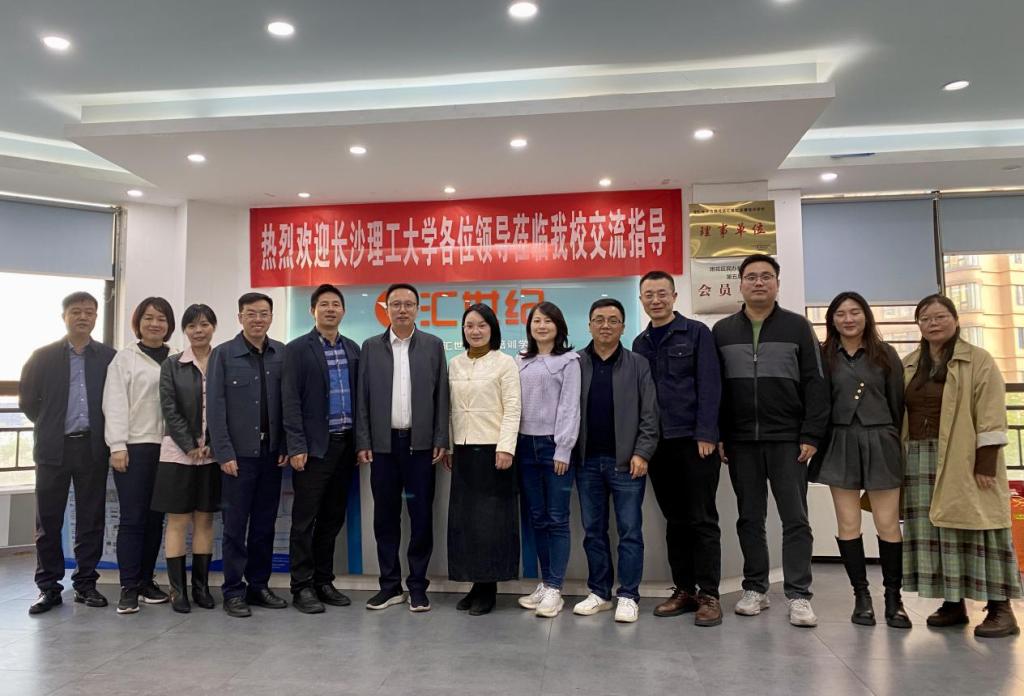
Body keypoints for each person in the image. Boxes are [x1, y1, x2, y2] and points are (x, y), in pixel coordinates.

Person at [713, 254, 828, 628]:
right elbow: (715, 390)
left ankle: (798, 594)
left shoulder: (797, 327)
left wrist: (811, 434)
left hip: (788, 440)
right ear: (740, 284)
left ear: (777, 283)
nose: (758, 282)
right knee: (750, 517)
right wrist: (720, 434)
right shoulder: (722, 331)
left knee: (795, 518)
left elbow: (816, 382)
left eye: (766, 276)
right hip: (741, 440)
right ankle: (755, 588)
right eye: (751, 277)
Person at [902, 294, 1021, 638]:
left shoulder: (978, 360)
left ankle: (1001, 608)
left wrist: (986, 462)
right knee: (936, 532)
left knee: (981, 526)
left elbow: (992, 412)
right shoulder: (910, 363)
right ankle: (953, 603)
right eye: (925, 318)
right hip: (919, 457)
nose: (933, 324)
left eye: (940, 316)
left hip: (965, 457)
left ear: (955, 320)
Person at [811, 292, 911, 629]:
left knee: (887, 524)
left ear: (866, 316)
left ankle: (894, 600)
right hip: (840, 441)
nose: (848, 319)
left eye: (855, 312)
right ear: (832, 320)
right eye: (840, 313)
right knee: (848, 523)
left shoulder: (885, 354)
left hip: (881, 440)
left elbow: (897, 404)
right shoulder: (823, 355)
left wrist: (889, 437)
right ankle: (861, 597)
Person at [634, 270, 723, 627]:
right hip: (659, 445)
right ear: (641, 300)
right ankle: (685, 590)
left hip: (694, 441)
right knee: (675, 520)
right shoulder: (640, 343)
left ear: (674, 296)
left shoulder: (697, 333)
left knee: (702, 519)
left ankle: (710, 595)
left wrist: (707, 433)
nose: (655, 300)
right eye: (649, 295)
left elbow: (710, 384)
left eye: (662, 293)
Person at [19, 292, 116, 615]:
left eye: (89, 312)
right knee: (48, 521)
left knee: (91, 518)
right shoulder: (42, 356)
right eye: (76, 311)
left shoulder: (108, 357)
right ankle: (48, 587)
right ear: (64, 317)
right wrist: (51, 425)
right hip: (53, 449)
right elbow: (28, 403)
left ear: (96, 317)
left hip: (92, 448)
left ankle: (86, 584)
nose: (83, 317)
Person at [356, 283, 449, 612]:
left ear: (418, 309)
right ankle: (390, 586)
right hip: (383, 446)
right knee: (385, 517)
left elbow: (442, 396)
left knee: (421, 516)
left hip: (421, 447)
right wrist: (363, 440)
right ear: (387, 309)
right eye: (396, 304)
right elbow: (362, 398)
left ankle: (418, 586)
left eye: (409, 304)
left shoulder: (433, 345)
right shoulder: (371, 347)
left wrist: (440, 438)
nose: (402, 310)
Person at [572, 298, 659, 624]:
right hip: (587, 463)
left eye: (612, 320)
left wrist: (642, 452)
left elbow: (650, 413)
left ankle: (628, 595)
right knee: (593, 531)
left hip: (627, 464)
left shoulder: (638, 364)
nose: (605, 325)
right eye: (599, 319)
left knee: (630, 532)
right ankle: (599, 592)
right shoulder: (576, 363)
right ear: (589, 325)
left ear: (623, 327)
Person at [208, 292, 289, 618]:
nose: (258, 319)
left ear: (271, 317)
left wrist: (285, 445)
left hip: (272, 455)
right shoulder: (223, 354)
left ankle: (258, 586)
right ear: (240, 317)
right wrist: (224, 452)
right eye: (251, 313)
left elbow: (288, 405)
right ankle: (233, 591)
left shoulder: (281, 353)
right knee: (234, 527)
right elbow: (215, 408)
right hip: (238, 458)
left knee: (265, 526)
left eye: (264, 313)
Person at [282, 284, 360, 614]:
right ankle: (301, 586)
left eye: (335, 304)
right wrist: (296, 445)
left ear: (343, 310)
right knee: (304, 520)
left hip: (345, 446)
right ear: (312, 310)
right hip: (313, 449)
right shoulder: (297, 349)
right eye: (324, 304)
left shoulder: (353, 348)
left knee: (332, 518)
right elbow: (290, 400)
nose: (330, 309)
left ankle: (323, 581)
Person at [446, 303, 522, 616]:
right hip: (463, 450)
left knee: (491, 523)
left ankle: (489, 588)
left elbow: (513, 407)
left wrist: (506, 448)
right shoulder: (455, 363)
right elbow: (449, 409)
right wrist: (450, 447)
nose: (475, 331)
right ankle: (475, 584)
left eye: (481, 325)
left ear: (493, 328)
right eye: (469, 326)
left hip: (494, 451)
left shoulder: (505, 363)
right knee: (466, 523)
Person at [104, 296, 176, 615]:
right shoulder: (125, 359)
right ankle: (129, 587)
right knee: (133, 519)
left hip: (170, 448)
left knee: (155, 519)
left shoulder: (178, 357)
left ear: (169, 324)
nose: (155, 324)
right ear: (138, 323)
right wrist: (117, 445)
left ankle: (147, 581)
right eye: (148, 318)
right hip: (134, 447)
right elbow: (114, 403)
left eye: (161, 318)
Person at [152, 303, 220, 613]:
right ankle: (178, 590)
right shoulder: (172, 364)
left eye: (204, 324)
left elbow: (229, 407)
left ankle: (202, 589)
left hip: (212, 455)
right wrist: (190, 444)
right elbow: (169, 407)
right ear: (184, 330)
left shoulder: (222, 361)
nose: (198, 330)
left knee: (205, 519)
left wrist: (213, 444)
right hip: (177, 455)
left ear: (213, 327)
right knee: (178, 521)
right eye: (192, 326)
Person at [515, 302, 581, 618]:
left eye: (548, 321)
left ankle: (555, 588)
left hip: (554, 446)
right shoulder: (519, 361)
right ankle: (545, 583)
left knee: (557, 518)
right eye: (536, 321)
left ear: (559, 326)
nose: (542, 326)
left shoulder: (569, 361)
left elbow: (570, 407)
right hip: (524, 446)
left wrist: (563, 448)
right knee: (537, 518)